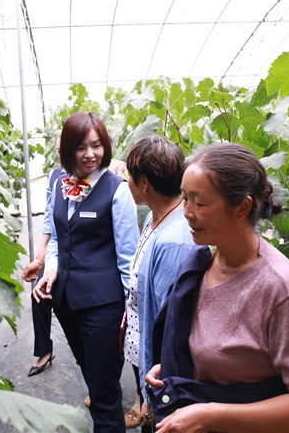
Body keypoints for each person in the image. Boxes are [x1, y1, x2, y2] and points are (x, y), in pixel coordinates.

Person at [145, 142, 289, 433]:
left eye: (199, 203)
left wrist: (211, 415)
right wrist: (175, 369)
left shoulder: (282, 291)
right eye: (184, 198)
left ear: (242, 207)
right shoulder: (204, 259)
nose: (186, 212)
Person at [33, 111, 139, 432]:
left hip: (103, 308)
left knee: (104, 394)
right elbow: (56, 238)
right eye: (81, 147)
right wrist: (51, 269)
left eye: (96, 145)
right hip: (67, 303)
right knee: (91, 375)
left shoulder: (117, 190)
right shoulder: (60, 183)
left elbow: (128, 259)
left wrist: (129, 311)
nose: (90, 154)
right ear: (68, 149)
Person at [121, 136, 194, 429]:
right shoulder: (156, 218)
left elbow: (170, 328)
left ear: (145, 183)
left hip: (159, 375)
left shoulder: (174, 242)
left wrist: (156, 396)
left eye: (129, 175)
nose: (126, 181)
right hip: (144, 358)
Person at [21, 136, 63, 376]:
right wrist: (42, 249)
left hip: (75, 248)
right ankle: (45, 350)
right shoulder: (55, 176)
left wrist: (41, 258)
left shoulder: (88, 178)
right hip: (55, 247)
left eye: (64, 149)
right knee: (40, 295)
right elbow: (49, 214)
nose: (60, 154)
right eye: (57, 150)